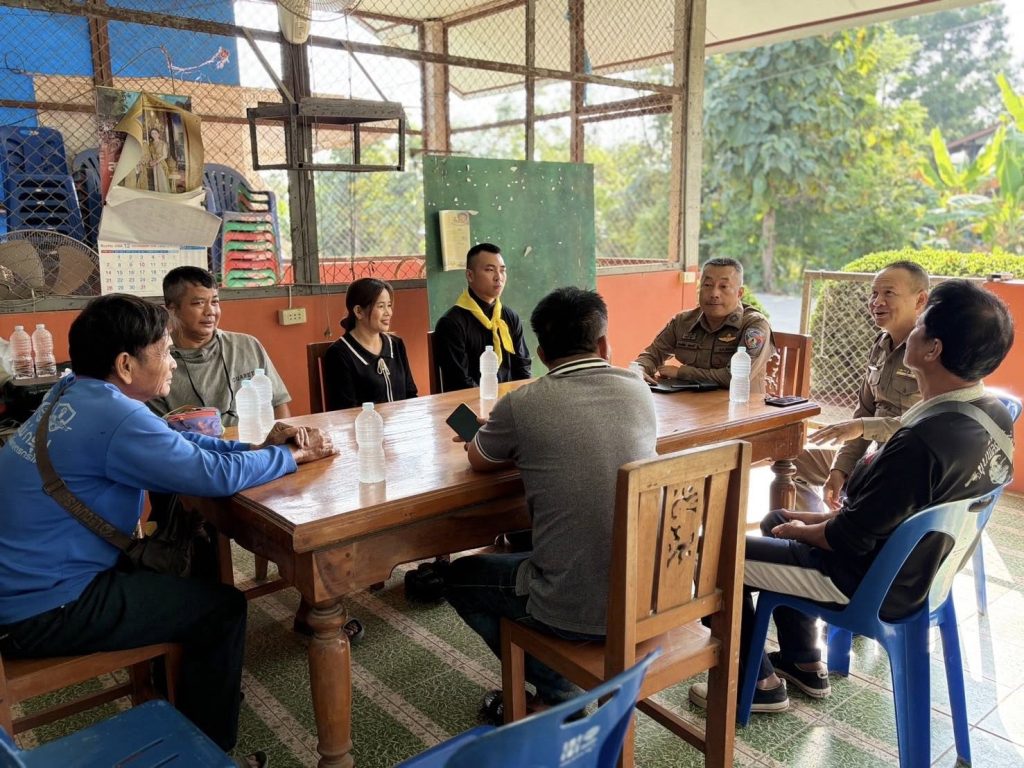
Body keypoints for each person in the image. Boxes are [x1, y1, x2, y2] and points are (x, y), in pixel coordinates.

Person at [0, 294, 336, 768]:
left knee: (185, 586)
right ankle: (208, 755)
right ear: (125, 364)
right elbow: (211, 476)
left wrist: (258, 450)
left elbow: (179, 442)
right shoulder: (113, 415)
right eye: (163, 350)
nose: (173, 361)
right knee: (221, 608)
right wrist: (289, 456)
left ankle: (175, 696)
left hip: (26, 581)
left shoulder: (73, 390)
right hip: (44, 608)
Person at [689, 279, 1014, 714]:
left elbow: (847, 538)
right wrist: (804, 523)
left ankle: (756, 683)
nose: (913, 329)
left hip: (867, 582)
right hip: (919, 572)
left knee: (714, 556)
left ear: (933, 349)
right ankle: (804, 660)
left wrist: (804, 531)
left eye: (921, 323)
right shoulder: (992, 415)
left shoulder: (920, 443)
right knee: (776, 520)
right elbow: (879, 515)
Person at [444, 286, 657, 722]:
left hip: (576, 607)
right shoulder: (638, 389)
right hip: (652, 594)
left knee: (460, 577)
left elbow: (479, 459)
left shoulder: (523, 405)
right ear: (603, 344)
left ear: (541, 354)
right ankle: (556, 684)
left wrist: (495, 432)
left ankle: (556, 692)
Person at [792, 261, 929, 513]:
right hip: (870, 453)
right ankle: (815, 524)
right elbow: (864, 412)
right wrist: (839, 468)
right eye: (874, 293)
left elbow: (925, 427)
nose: (877, 302)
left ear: (920, 300)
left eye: (889, 293)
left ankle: (829, 526)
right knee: (794, 461)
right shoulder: (881, 344)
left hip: (901, 465)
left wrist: (861, 428)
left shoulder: (932, 353)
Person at [149, 266, 291, 427]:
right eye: (198, 303)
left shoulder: (247, 345)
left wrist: (281, 438)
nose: (210, 311)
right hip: (195, 443)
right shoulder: (157, 360)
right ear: (172, 310)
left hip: (256, 440)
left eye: (215, 302)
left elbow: (278, 404)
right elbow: (159, 430)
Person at [634, 257, 773, 390]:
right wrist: (639, 369)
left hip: (741, 404)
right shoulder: (683, 321)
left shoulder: (755, 325)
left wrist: (682, 372)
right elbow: (653, 354)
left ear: (739, 293)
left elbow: (736, 377)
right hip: (689, 401)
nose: (714, 293)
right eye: (707, 285)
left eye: (724, 286)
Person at [433, 243, 532, 392]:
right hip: (472, 402)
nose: (498, 277)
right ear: (470, 275)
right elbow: (460, 382)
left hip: (510, 401)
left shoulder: (510, 317)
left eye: (502, 270)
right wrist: (492, 401)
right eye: (490, 270)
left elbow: (523, 368)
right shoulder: (452, 323)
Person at [323, 277, 417, 411]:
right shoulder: (339, 353)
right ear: (358, 311)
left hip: (402, 422)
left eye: (389, 305)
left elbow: (411, 394)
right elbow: (345, 411)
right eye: (381, 306)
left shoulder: (396, 344)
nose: (388, 313)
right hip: (363, 424)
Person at [146, 128, 172, 193]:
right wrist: (151, 161)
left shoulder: (163, 143)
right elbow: (150, 155)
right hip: (153, 165)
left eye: (155, 133)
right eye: (152, 133)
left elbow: (165, 156)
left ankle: (165, 195)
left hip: (161, 164)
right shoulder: (150, 145)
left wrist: (156, 162)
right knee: (155, 181)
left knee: (162, 181)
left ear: (158, 134)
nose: (154, 135)